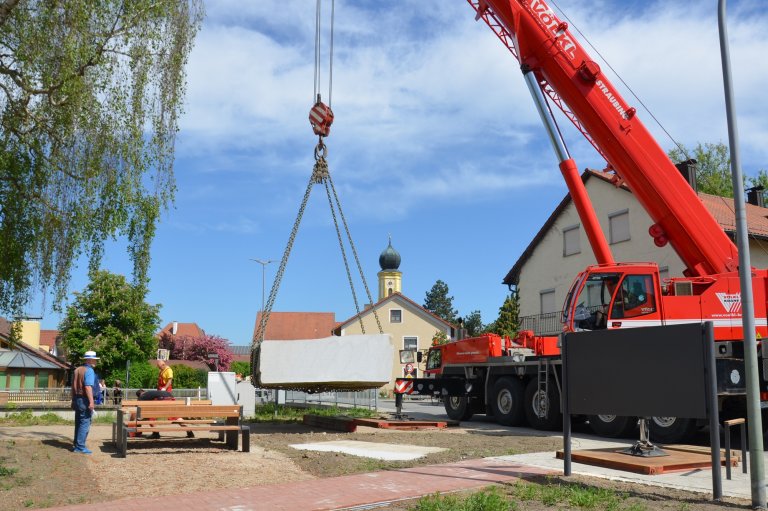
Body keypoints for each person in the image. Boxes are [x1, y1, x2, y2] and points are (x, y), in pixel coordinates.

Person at [70, 350, 99, 454]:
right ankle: (80, 447)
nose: (96, 362)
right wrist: (91, 402)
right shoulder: (89, 371)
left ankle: (76, 444)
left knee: (78, 423)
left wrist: (73, 399)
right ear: (90, 360)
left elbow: (73, 387)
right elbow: (87, 387)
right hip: (84, 399)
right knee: (85, 423)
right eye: (95, 360)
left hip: (77, 399)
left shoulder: (77, 369)